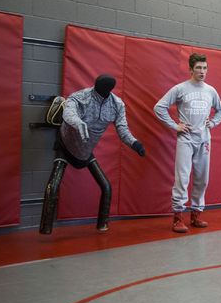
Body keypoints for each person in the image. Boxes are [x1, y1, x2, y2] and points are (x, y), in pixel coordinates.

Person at [39, 74, 145, 235]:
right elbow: (69, 115)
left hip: (86, 151)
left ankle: (102, 224)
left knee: (106, 187)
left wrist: (135, 144)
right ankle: (45, 228)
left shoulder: (117, 104)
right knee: (52, 187)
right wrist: (78, 122)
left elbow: (122, 130)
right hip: (66, 145)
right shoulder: (79, 97)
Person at [154, 53, 221, 233]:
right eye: (199, 68)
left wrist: (214, 122)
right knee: (182, 178)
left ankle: (196, 213)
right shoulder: (180, 89)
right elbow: (159, 107)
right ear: (191, 70)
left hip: (204, 140)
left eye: (205, 68)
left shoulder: (211, 91)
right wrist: (174, 125)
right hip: (186, 139)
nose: (202, 71)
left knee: (202, 179)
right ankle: (178, 217)